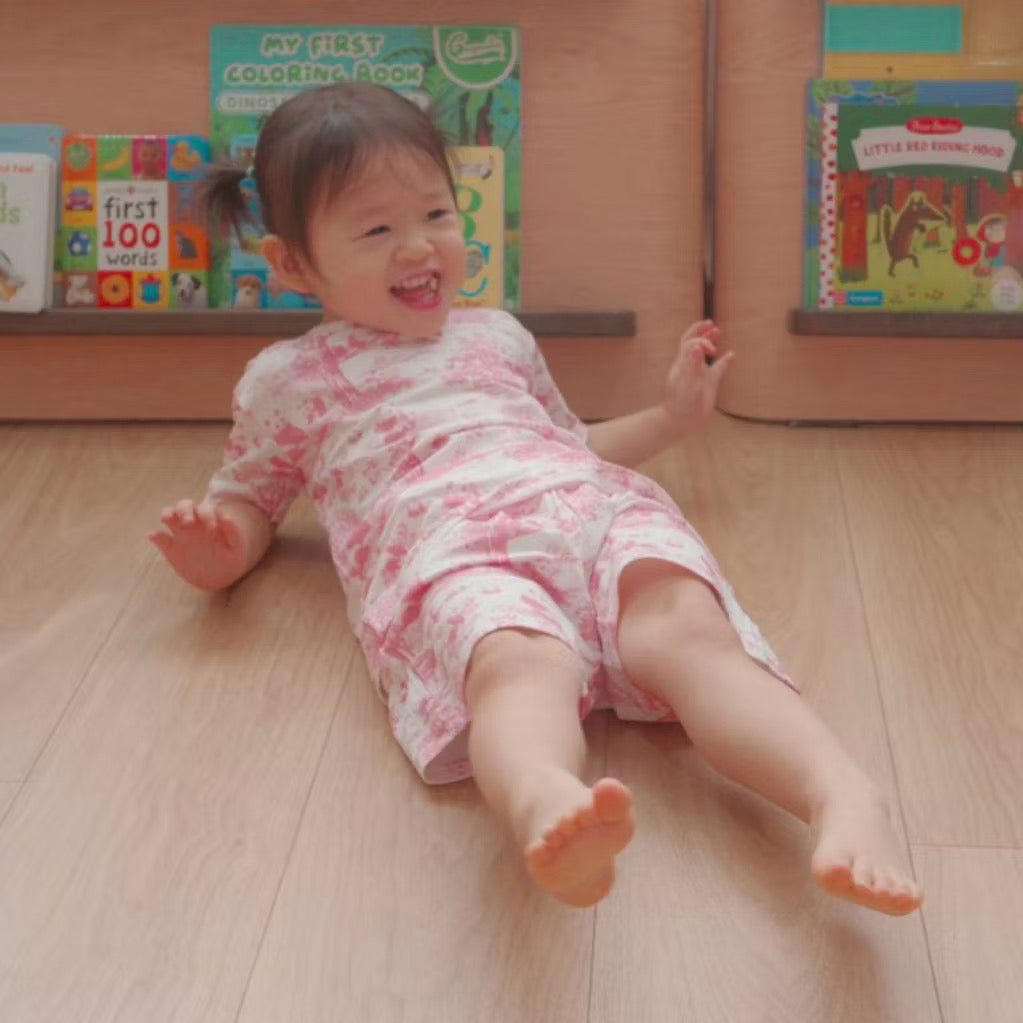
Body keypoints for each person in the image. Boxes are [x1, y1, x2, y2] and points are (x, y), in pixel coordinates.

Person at [149, 82, 922, 915]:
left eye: (437, 215)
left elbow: (570, 441)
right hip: (453, 553)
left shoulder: (497, 334)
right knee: (515, 665)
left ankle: (838, 792)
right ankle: (545, 801)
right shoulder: (286, 380)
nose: (419, 248)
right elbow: (251, 498)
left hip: (586, 511)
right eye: (376, 230)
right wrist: (220, 546)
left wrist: (670, 416)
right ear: (293, 264)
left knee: (688, 629)